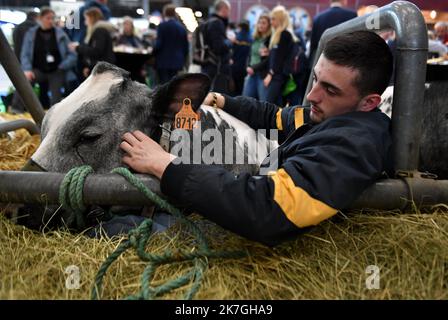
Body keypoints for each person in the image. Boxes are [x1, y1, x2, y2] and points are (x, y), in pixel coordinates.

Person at [119, 31, 394, 246]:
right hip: (249, 210)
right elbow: (274, 116)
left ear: (369, 102)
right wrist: (220, 99)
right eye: (315, 79)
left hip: (259, 238)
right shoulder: (328, 116)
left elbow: (267, 210)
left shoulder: (354, 145)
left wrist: (164, 164)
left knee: (122, 229)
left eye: (330, 90)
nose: (312, 96)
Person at [21, 7, 77, 107]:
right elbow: (25, 53)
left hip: (56, 70)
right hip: (38, 70)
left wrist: (63, 66)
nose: (51, 21)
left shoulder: (61, 34)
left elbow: (72, 54)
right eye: (48, 18)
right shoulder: (31, 34)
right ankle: (16, 109)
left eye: (52, 18)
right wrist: (27, 69)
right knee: (22, 83)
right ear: (40, 18)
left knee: (56, 101)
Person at [264, 5, 299, 105]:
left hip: (278, 76)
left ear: (280, 20)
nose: (271, 22)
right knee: (276, 104)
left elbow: (280, 58)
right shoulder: (279, 34)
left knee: (269, 104)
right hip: (276, 75)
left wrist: (270, 74)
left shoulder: (285, 34)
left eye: (273, 19)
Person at [69, 7, 115, 79]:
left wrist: (78, 48)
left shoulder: (99, 31)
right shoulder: (98, 30)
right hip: (100, 68)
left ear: (92, 18)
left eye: (86, 19)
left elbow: (97, 51)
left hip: (102, 70)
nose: (85, 22)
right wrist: (90, 67)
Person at [201, 0, 233, 94]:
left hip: (208, 63)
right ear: (224, 9)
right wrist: (230, 42)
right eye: (229, 10)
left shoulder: (208, 21)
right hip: (217, 67)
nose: (229, 13)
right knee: (217, 98)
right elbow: (219, 47)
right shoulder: (217, 23)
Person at [153, 4, 189, 84]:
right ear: (174, 14)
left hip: (163, 61)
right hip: (177, 62)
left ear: (164, 13)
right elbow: (185, 47)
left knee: (163, 85)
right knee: (173, 85)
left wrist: (153, 53)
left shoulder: (162, 26)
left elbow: (159, 44)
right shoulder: (181, 28)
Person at [10, 11, 38, 113]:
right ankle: (24, 108)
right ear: (36, 18)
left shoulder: (17, 28)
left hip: (16, 60)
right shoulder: (35, 28)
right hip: (30, 61)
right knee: (28, 84)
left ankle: (17, 107)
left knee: (21, 84)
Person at [242, 14, 271, 101]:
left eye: (263, 23)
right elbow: (250, 55)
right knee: (245, 100)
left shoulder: (269, 40)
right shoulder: (255, 38)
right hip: (251, 73)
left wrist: (253, 68)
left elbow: (268, 60)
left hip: (262, 74)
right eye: (259, 23)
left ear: (268, 25)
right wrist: (247, 66)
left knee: (263, 102)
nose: (260, 25)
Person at [230, 21, 252, 96]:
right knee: (241, 87)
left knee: (233, 88)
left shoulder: (236, 38)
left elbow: (232, 51)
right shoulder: (250, 39)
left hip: (235, 65)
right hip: (244, 66)